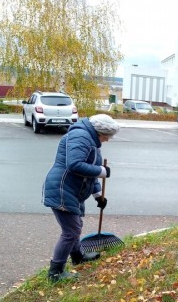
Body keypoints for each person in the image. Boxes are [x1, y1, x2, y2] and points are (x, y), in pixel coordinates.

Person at [43, 113, 120, 282]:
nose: (108, 140)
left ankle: (77, 257)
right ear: (100, 132)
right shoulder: (80, 136)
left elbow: (90, 173)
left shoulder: (91, 140)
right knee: (71, 231)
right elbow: (75, 165)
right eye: (107, 136)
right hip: (62, 188)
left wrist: (98, 195)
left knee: (76, 226)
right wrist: (102, 172)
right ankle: (55, 272)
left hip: (74, 190)